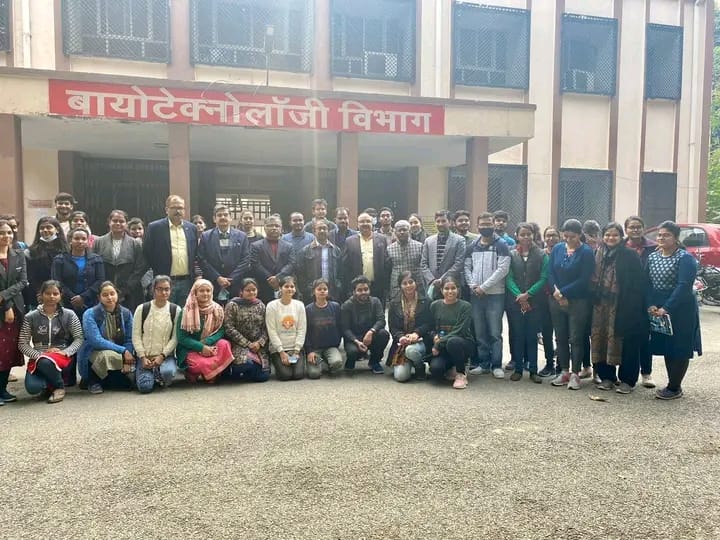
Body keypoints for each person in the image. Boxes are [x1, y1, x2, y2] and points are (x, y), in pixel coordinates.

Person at [647, 221, 702, 400]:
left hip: (681, 308)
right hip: (658, 307)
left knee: (680, 346)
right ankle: (671, 384)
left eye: (666, 235)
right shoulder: (653, 257)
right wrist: (650, 304)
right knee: (667, 345)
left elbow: (684, 286)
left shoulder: (685, 258)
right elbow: (647, 283)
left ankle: (674, 387)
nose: (661, 238)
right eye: (659, 235)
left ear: (676, 238)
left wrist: (667, 308)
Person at [591, 223, 647, 394]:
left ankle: (628, 380)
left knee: (627, 342)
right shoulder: (599, 253)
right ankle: (607, 377)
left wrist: (633, 306)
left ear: (621, 237)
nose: (611, 238)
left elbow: (638, 283)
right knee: (600, 339)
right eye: (607, 234)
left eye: (615, 235)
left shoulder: (630, 254)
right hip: (601, 306)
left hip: (623, 304)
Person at [548, 219, 595, 390]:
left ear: (580, 234)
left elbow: (584, 278)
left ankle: (575, 373)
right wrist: (556, 292)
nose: (568, 240)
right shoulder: (558, 248)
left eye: (572, 237)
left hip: (578, 300)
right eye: (566, 236)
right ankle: (564, 371)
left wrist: (564, 292)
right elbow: (550, 272)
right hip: (556, 299)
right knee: (560, 336)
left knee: (576, 337)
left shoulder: (586, 252)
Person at [19, 280, 84, 404]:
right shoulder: (30, 317)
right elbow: (22, 343)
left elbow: (79, 338)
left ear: (60, 295)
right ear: (41, 295)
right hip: (38, 357)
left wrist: (66, 352)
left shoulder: (69, 314)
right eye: (48, 293)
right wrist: (39, 355)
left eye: (55, 293)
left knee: (46, 362)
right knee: (33, 388)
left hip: (61, 355)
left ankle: (59, 387)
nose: (52, 297)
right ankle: (50, 384)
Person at [465, 212, 511, 379]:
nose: (486, 227)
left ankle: (496, 365)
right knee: (480, 331)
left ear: (493, 225)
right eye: (482, 224)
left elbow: (503, 269)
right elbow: (466, 267)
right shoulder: (472, 245)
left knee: (495, 332)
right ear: (477, 226)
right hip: (476, 295)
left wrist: (484, 287)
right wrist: (473, 285)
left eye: (488, 224)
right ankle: (483, 364)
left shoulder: (502, 245)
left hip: (495, 295)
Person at [506, 223, 548, 383]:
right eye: (522, 234)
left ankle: (533, 370)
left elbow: (544, 277)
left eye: (528, 234)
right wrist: (520, 296)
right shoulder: (511, 255)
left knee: (531, 336)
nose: (526, 237)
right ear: (516, 236)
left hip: (535, 302)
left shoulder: (542, 254)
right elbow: (508, 278)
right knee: (518, 335)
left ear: (533, 235)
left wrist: (528, 294)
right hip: (515, 302)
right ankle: (518, 369)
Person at [81, 281, 136, 394]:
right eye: (105, 295)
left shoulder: (126, 313)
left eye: (112, 293)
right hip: (95, 354)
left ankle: (103, 380)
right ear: (99, 297)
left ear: (117, 294)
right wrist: (123, 351)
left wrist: (128, 359)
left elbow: (129, 339)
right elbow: (96, 341)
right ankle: (93, 381)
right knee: (105, 355)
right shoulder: (90, 314)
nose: (109, 297)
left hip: (119, 356)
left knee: (127, 385)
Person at [143, 195, 199, 305]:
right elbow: (147, 253)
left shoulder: (191, 228)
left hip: (187, 282)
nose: (178, 211)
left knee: (184, 313)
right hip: (164, 282)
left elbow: (195, 254)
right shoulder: (155, 228)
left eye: (181, 208)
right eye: (174, 208)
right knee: (164, 312)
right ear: (166, 209)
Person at [176, 279, 234, 384]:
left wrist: (207, 342)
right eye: (201, 291)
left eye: (208, 290)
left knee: (225, 344)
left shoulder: (217, 309)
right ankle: (195, 372)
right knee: (200, 364)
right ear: (195, 293)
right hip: (190, 349)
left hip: (210, 345)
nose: (205, 293)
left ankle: (208, 372)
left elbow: (221, 330)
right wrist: (201, 347)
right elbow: (182, 338)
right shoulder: (186, 311)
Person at [624, 215, 657, 388]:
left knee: (645, 336)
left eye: (638, 227)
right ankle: (627, 373)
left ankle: (646, 372)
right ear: (626, 230)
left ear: (643, 228)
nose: (635, 230)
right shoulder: (620, 247)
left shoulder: (652, 247)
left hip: (646, 297)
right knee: (627, 337)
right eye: (632, 227)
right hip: (624, 298)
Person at [132, 275, 181, 393]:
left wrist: (161, 356)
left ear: (170, 290)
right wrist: (142, 357)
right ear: (153, 290)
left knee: (167, 373)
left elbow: (175, 338)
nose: (163, 292)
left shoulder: (175, 310)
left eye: (167, 289)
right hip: (145, 357)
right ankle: (147, 374)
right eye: (159, 289)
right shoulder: (142, 308)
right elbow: (136, 335)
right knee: (145, 387)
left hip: (165, 357)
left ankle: (156, 374)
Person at [92, 210, 146, 311]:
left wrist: (126, 289)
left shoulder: (135, 244)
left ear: (126, 224)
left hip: (129, 292)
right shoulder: (99, 242)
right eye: (115, 221)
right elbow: (93, 266)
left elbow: (139, 268)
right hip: (105, 291)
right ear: (109, 222)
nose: (118, 223)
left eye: (121, 221)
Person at [429, 276, 474, 389]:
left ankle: (461, 373)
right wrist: (434, 336)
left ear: (458, 289)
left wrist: (438, 343)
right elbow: (430, 327)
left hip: (462, 343)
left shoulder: (466, 306)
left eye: (453, 288)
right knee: (436, 370)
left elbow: (460, 330)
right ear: (441, 290)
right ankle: (451, 367)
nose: (450, 291)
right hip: (443, 345)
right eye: (446, 288)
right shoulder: (435, 305)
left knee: (453, 342)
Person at [198, 204, 250, 303]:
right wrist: (217, 277)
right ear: (214, 219)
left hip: (235, 283)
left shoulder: (242, 236)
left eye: (225, 215)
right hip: (212, 283)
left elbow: (245, 260)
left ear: (230, 218)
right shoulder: (205, 236)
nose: (223, 217)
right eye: (219, 215)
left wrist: (231, 279)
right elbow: (202, 259)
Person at [0, 219, 27, 405]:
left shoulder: (18, 254)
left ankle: (3, 390)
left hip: (15, 309)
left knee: (9, 350)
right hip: (3, 309)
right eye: (2, 233)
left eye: (9, 232)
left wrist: (4, 298)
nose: (6, 236)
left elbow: (22, 281)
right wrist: (5, 306)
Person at [223, 278, 270, 383]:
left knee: (263, 377)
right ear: (241, 291)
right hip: (239, 345)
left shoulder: (261, 305)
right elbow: (229, 328)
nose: (251, 292)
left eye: (254, 290)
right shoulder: (233, 305)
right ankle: (234, 370)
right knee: (247, 364)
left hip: (258, 346)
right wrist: (248, 344)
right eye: (248, 290)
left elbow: (266, 328)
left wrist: (259, 343)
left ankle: (248, 373)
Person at [388, 271, 432, 382]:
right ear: (400, 286)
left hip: (420, 341)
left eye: (411, 282)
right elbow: (393, 327)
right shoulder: (394, 303)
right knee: (401, 377)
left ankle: (419, 366)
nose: (408, 285)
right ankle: (409, 362)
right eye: (404, 283)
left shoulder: (426, 301)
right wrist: (400, 337)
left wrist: (417, 333)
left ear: (416, 283)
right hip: (402, 344)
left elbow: (429, 323)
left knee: (411, 350)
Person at [51, 227, 105, 317]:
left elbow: (100, 280)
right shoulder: (59, 260)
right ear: (70, 241)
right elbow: (57, 281)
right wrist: (73, 298)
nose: (80, 241)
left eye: (83, 239)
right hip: (67, 303)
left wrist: (83, 297)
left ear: (88, 241)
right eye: (76, 238)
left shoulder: (96, 259)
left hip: (91, 303)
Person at [341, 275, 390, 374]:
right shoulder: (347, 305)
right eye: (359, 290)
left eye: (366, 289)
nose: (363, 292)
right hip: (354, 338)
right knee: (352, 352)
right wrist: (356, 341)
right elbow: (345, 329)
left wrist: (371, 332)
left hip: (371, 336)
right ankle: (352, 359)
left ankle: (374, 362)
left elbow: (381, 320)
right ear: (354, 292)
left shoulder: (375, 301)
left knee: (384, 334)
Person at [342, 213, 390, 305]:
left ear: (372, 223)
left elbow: (386, 263)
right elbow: (345, 266)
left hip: (378, 286)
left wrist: (385, 286)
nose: (365, 224)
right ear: (357, 224)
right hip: (358, 288)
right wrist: (349, 287)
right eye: (362, 221)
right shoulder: (349, 241)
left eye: (368, 221)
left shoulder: (382, 239)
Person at [265, 276, 307, 381]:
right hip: (279, 349)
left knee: (298, 375)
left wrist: (296, 351)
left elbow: (302, 330)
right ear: (280, 288)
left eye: (292, 286)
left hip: (295, 348)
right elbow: (272, 331)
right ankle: (279, 361)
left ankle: (292, 361)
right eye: (286, 286)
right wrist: (281, 352)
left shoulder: (299, 305)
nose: (289, 289)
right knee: (285, 375)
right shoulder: (271, 306)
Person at [249, 215, 296, 304]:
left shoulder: (289, 246)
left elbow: (291, 264)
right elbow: (255, 264)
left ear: (281, 228)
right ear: (265, 228)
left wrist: (278, 278)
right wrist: (270, 279)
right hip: (263, 286)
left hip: (284, 286)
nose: (274, 228)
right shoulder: (256, 246)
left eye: (277, 226)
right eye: (270, 225)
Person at [420, 210, 465, 300]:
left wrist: (442, 280)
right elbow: (423, 264)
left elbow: (459, 263)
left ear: (450, 222)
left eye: (443, 221)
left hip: (451, 286)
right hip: (432, 285)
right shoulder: (428, 241)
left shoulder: (459, 240)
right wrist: (432, 280)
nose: (440, 224)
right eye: (438, 221)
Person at [25, 217, 68, 309]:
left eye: (49, 227)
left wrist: (60, 293)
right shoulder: (31, 252)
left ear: (57, 229)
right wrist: (41, 293)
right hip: (38, 296)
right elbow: (30, 277)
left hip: (64, 296)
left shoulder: (67, 250)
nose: (45, 230)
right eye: (42, 228)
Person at [304, 278, 344, 378]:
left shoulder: (335, 307)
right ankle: (320, 362)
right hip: (315, 348)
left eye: (325, 289)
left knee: (337, 363)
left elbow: (340, 326)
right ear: (314, 291)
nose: (322, 291)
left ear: (328, 291)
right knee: (314, 374)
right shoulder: (308, 309)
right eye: (319, 289)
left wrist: (337, 341)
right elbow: (306, 332)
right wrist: (309, 351)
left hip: (331, 346)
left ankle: (327, 361)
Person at [297, 220, 342, 302]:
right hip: (312, 294)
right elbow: (301, 274)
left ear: (328, 231)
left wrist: (338, 286)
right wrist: (307, 289)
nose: (322, 231)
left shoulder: (336, 250)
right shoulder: (305, 251)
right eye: (319, 228)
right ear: (314, 231)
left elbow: (341, 272)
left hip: (332, 292)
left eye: (324, 228)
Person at [538, 226, 560, 376]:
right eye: (548, 236)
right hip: (542, 298)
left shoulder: (563, 253)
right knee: (546, 332)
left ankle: (561, 364)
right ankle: (549, 363)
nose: (551, 238)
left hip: (559, 297)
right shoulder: (541, 254)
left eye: (554, 235)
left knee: (561, 333)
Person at [387, 220, 423, 302]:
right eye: (399, 230)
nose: (402, 232)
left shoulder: (419, 246)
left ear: (409, 231)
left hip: (416, 286)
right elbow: (388, 269)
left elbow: (423, 266)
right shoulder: (389, 249)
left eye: (404, 230)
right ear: (395, 232)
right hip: (397, 287)